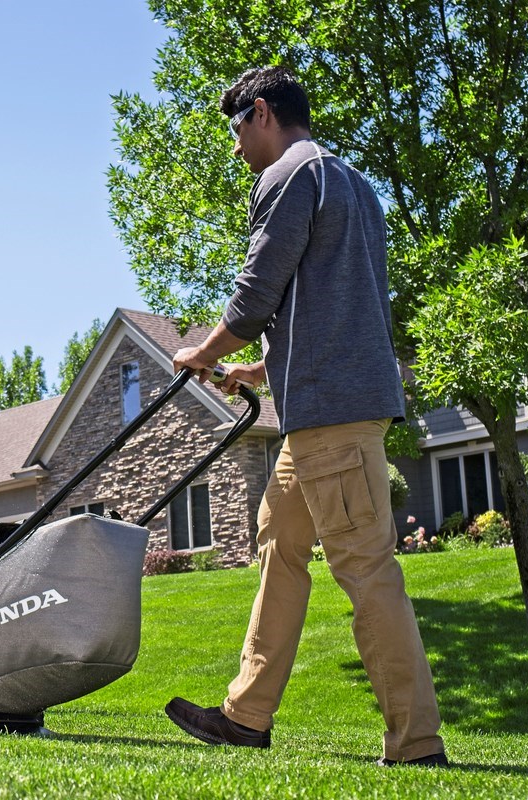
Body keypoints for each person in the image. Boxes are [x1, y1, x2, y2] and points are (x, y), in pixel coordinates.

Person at [166, 66, 447, 767]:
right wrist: (255, 369)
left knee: (368, 571)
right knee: (278, 541)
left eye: (237, 130)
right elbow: (335, 306)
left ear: (262, 112)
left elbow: (256, 292)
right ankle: (247, 714)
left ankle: (416, 744)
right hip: (326, 409)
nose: (236, 150)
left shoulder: (289, 177)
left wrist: (202, 352)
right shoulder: (352, 183)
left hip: (330, 416)